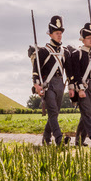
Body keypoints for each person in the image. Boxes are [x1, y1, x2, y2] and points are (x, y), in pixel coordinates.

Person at [31, 15, 72, 146]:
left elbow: (69, 71)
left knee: (55, 114)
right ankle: (59, 139)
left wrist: (71, 87)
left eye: (60, 33)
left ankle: (46, 138)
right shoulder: (43, 51)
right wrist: (36, 85)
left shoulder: (64, 51)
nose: (59, 36)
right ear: (50, 34)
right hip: (48, 85)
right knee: (53, 112)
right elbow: (36, 70)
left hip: (60, 84)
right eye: (56, 33)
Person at [72, 22, 91, 146]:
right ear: (83, 40)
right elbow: (76, 73)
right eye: (89, 38)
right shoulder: (77, 54)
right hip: (82, 87)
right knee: (87, 113)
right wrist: (80, 89)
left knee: (88, 114)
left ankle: (79, 140)